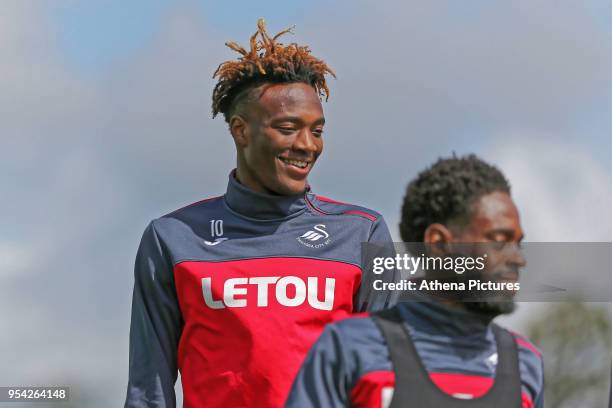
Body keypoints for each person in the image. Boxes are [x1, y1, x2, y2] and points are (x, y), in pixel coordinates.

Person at [124, 19, 398, 408]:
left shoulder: (364, 234)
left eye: (317, 131)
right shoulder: (171, 238)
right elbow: (148, 391)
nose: (307, 145)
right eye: (287, 128)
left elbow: (387, 378)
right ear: (240, 131)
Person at [286, 154, 544, 407]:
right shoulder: (350, 348)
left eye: (518, 243)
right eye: (499, 241)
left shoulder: (525, 364)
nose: (518, 259)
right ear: (439, 244)